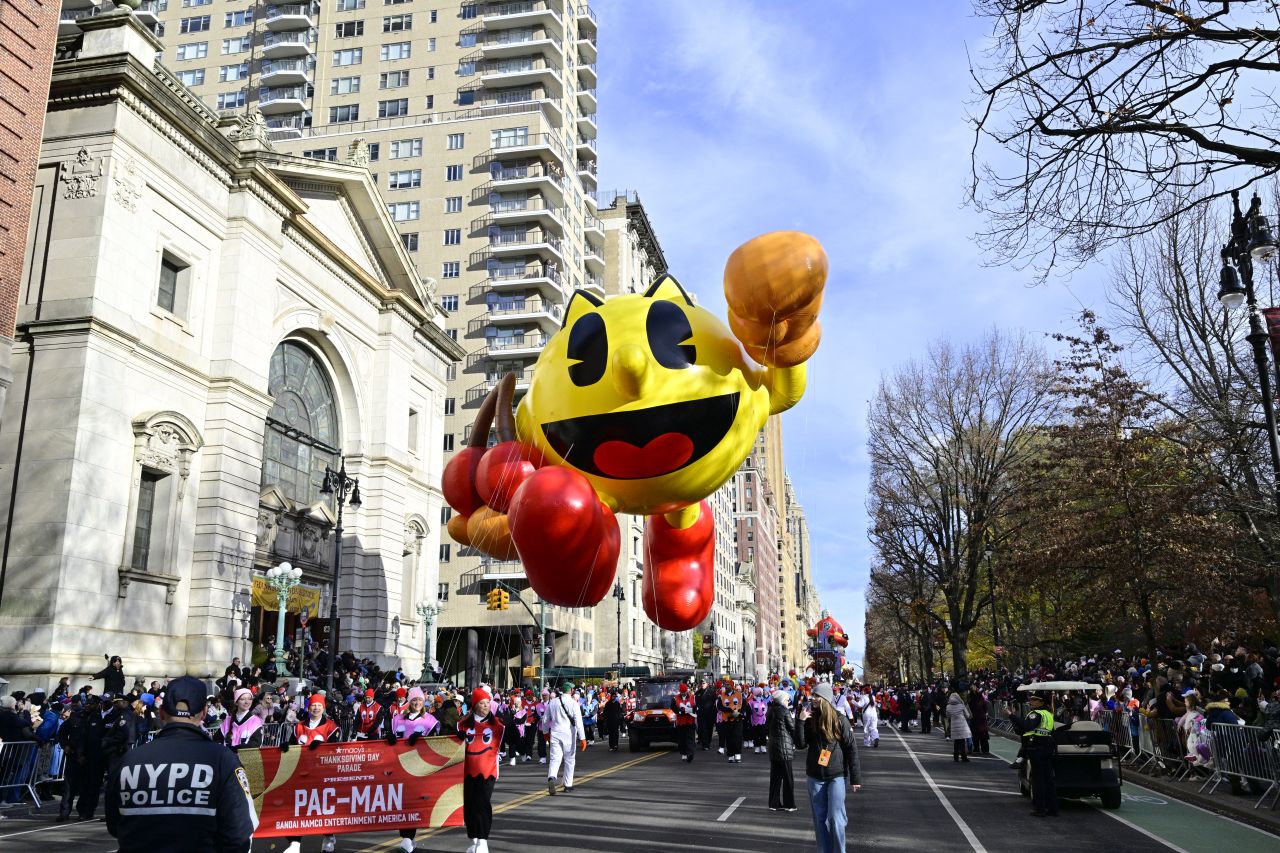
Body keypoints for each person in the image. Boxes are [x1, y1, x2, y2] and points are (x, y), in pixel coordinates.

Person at [104, 676, 257, 852]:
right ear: (204, 712)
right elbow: (239, 833)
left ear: (162, 712)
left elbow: (114, 825)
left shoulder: (129, 761)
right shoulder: (223, 760)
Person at [796, 682, 861, 852]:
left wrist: (855, 778)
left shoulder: (840, 719)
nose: (813, 698)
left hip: (836, 776)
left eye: (816, 696)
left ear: (825, 698)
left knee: (836, 819)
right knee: (820, 819)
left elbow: (851, 749)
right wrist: (801, 721)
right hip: (815, 777)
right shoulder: (809, 718)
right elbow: (800, 745)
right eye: (813, 695)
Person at [459, 688, 504, 853]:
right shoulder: (462, 724)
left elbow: (515, 738)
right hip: (466, 770)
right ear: (475, 705)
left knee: (482, 804)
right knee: (469, 806)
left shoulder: (498, 724)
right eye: (482, 703)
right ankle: (474, 839)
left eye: (487, 703)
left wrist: (510, 720)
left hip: (487, 770)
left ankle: (483, 840)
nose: (486, 706)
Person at [1011, 692, 1070, 817]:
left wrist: (1011, 716)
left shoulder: (1035, 714)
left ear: (1041, 702)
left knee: (1038, 780)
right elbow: (1051, 732)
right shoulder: (1048, 714)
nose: (1031, 701)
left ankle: (1040, 809)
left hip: (1037, 748)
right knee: (1048, 779)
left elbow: (1028, 727)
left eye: (1034, 699)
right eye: (1031, 699)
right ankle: (1053, 808)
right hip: (1047, 748)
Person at [543, 682, 585, 795]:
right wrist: (582, 738)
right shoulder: (574, 703)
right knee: (569, 760)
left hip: (555, 732)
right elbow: (579, 722)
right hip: (569, 734)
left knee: (555, 758)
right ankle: (568, 784)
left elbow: (545, 719)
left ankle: (552, 777)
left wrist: (545, 732)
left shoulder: (553, 702)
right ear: (571, 691)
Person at [765, 688, 798, 811]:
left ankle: (773, 803)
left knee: (775, 777)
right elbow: (792, 728)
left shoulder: (770, 710)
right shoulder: (785, 711)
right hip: (784, 746)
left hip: (773, 746)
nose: (788, 702)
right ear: (782, 700)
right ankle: (789, 804)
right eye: (787, 700)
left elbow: (766, 727)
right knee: (788, 778)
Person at [502, 691, 534, 764]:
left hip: (520, 732)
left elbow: (521, 721)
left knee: (520, 746)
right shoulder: (510, 710)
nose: (517, 703)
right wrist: (512, 715)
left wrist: (514, 718)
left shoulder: (524, 712)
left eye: (518, 702)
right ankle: (512, 759)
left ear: (521, 703)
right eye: (515, 702)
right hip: (512, 731)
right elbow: (508, 720)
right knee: (512, 745)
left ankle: (523, 754)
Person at [670, 683, 697, 762]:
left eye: (684, 692)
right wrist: (680, 711)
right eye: (682, 692)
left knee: (690, 739)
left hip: (690, 721)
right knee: (682, 739)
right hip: (681, 722)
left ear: (687, 690)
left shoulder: (692, 697)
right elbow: (673, 707)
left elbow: (696, 707)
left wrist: (691, 710)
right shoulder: (675, 699)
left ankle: (690, 753)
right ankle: (684, 753)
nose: (683, 693)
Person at [945, 690, 972, 763]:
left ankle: (956, 757)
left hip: (954, 725)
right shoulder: (961, 705)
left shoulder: (948, 706)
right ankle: (964, 757)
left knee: (956, 742)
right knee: (962, 742)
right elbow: (967, 715)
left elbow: (948, 715)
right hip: (962, 725)